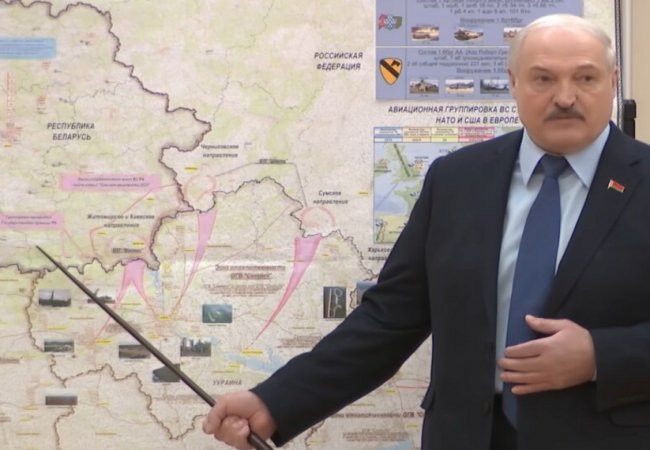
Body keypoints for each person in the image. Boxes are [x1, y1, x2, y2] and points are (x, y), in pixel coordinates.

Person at [203, 13, 650, 450]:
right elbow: (391, 318)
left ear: (613, 82)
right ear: (513, 83)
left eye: (586, 78)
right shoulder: (458, 180)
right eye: (543, 79)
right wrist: (276, 402)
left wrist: (600, 356)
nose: (565, 97)